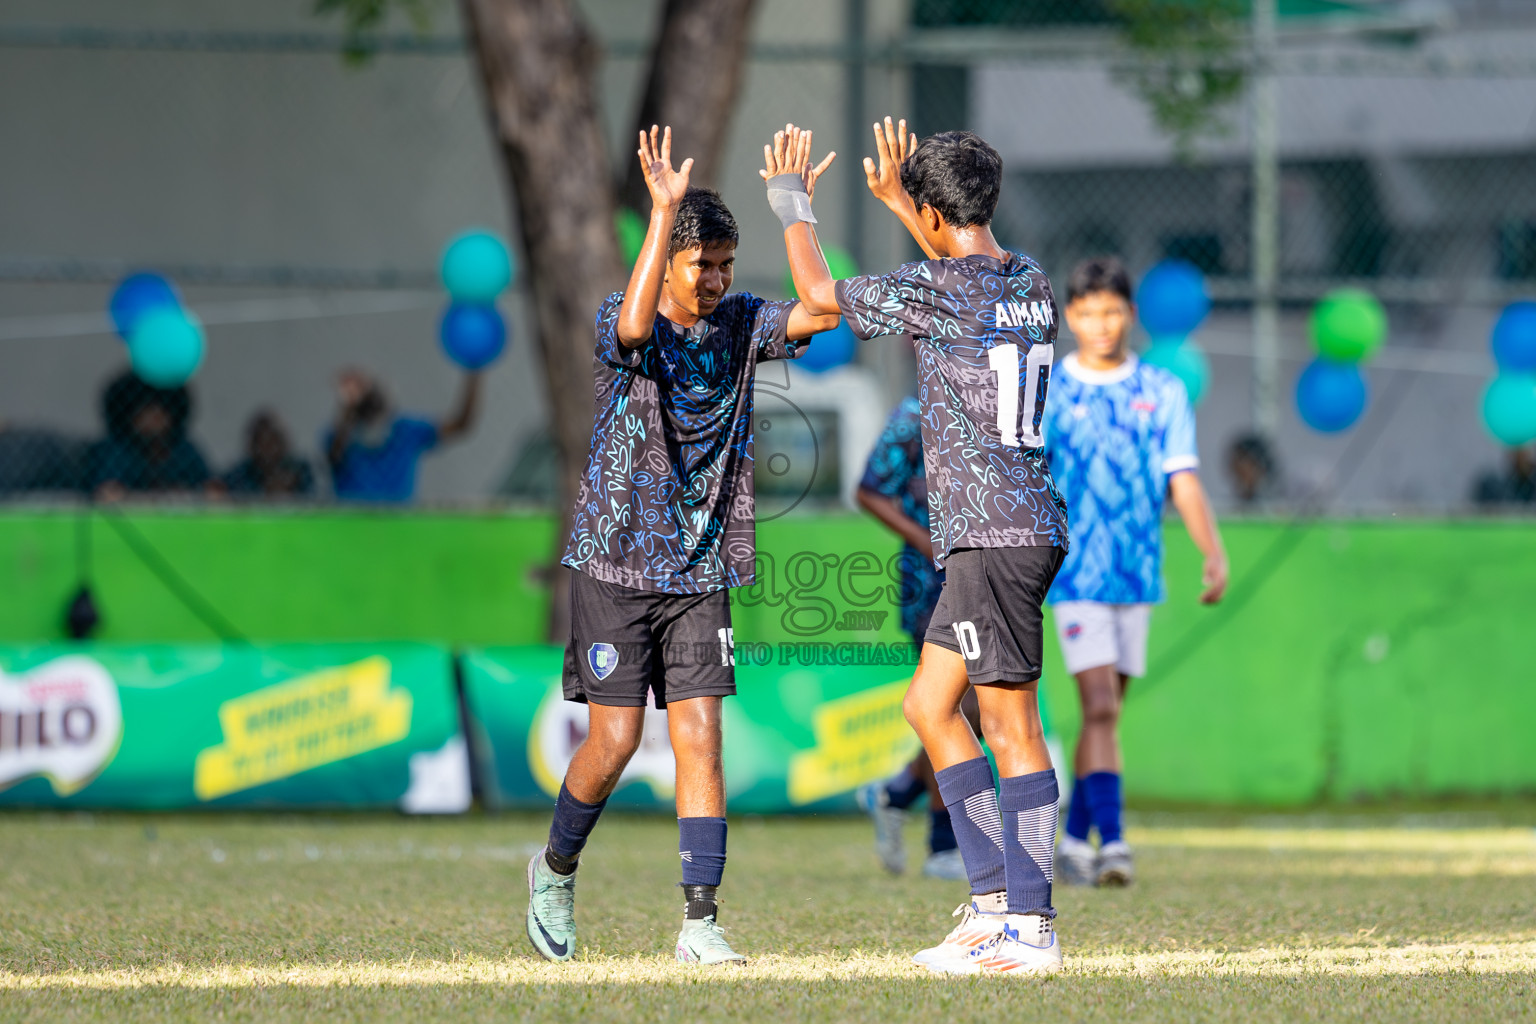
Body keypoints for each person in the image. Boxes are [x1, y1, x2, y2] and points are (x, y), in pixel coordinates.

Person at [524, 125, 839, 967]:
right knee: (616, 744)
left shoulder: (740, 324)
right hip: (615, 563)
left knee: (702, 736)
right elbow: (631, 328)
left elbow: (823, 308)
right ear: (666, 263)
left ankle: (700, 922)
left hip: (702, 569)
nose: (719, 279)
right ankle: (554, 869)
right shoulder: (623, 321)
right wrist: (662, 210)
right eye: (705, 265)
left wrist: (793, 206)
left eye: (728, 265)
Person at [774, 118, 1068, 975]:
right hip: (1021, 524)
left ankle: (1032, 926)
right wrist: (910, 205)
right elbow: (956, 265)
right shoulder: (1032, 281)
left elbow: (819, 297)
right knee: (929, 711)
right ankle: (988, 907)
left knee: (1009, 725)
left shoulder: (936, 287)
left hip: (990, 534)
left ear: (933, 215)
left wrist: (791, 202)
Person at [1041, 256, 1229, 889]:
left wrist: (1212, 551)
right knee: (1097, 705)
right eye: (1089, 313)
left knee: (1108, 715)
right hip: (1072, 575)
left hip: (1136, 574)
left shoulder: (1163, 390)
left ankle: (1071, 840)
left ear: (1131, 315)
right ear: (1071, 317)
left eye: (1112, 311)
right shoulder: (1051, 391)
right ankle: (1114, 844)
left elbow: (1183, 479)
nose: (1101, 325)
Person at [854, 396, 980, 882]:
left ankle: (898, 791)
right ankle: (943, 843)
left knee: (978, 710)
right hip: (930, 586)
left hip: (992, 578)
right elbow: (869, 491)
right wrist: (922, 539)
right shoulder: (914, 414)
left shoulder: (1002, 404)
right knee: (947, 705)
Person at [324, 368, 480, 502]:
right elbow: (332, 458)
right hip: (351, 522)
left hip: (399, 522)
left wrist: (474, 374)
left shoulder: (405, 430)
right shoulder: (340, 435)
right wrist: (348, 412)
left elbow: (461, 424)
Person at [87, 371, 211, 499]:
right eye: (146, 410)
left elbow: (212, 489)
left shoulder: (184, 451)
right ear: (129, 415)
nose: (156, 416)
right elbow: (107, 491)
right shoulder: (115, 451)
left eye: (163, 408)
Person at [220, 410, 314, 498]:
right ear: (253, 445)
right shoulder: (241, 473)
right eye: (263, 442)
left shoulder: (299, 469)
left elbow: (317, 499)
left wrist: (291, 492)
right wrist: (264, 492)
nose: (270, 449)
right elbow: (225, 493)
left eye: (274, 441)